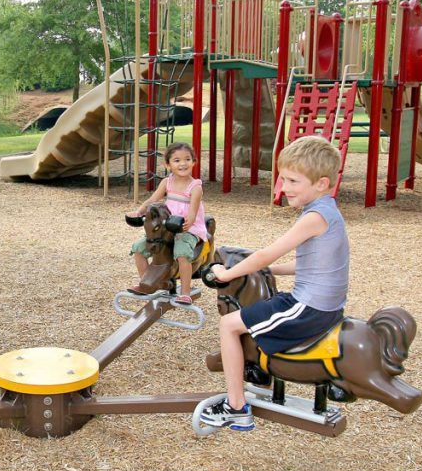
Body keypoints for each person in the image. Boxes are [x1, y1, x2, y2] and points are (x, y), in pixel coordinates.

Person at [200, 135, 349, 432]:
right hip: (327, 306)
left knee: (229, 324)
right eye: (283, 179)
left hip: (309, 308)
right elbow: (308, 265)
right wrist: (269, 272)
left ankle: (236, 406)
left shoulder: (313, 217)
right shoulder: (329, 213)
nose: (284, 188)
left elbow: (267, 252)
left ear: (321, 183)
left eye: (293, 181)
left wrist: (228, 274)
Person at [126, 142, 208, 303]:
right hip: (167, 227)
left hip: (187, 229)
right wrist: (139, 212)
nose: (183, 163)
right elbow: (152, 200)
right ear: (168, 164)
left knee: (182, 253)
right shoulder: (167, 182)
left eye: (187, 159)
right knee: (138, 249)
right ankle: (147, 283)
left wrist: (186, 224)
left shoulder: (195, 187)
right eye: (177, 160)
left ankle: (185, 293)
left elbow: (192, 214)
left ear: (194, 162)